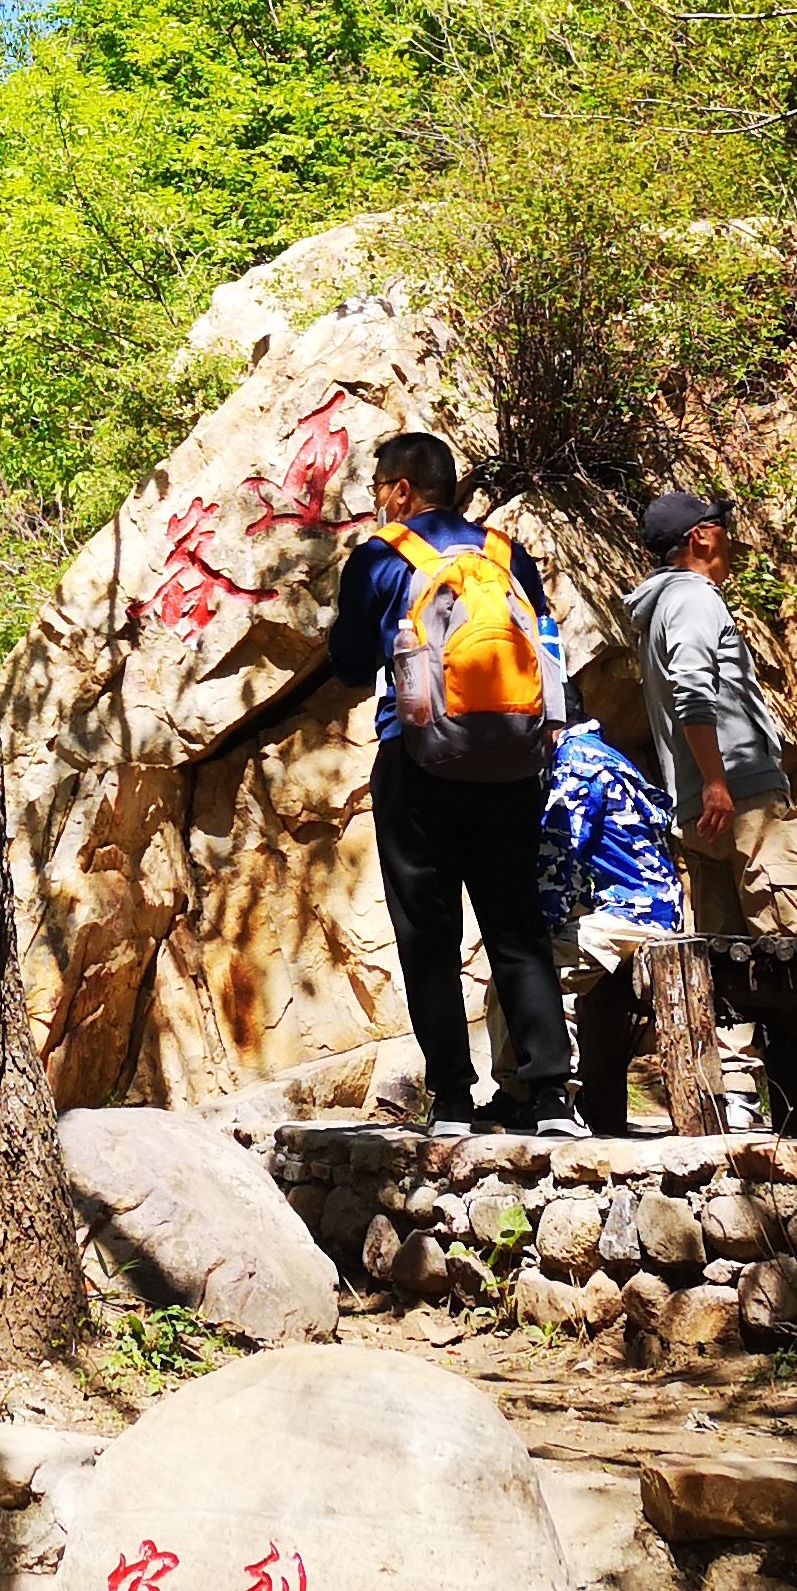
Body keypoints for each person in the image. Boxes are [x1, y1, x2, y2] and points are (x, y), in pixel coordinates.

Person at [327, 429, 580, 1135]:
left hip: (417, 760)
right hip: (511, 763)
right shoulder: (505, 553)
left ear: (403, 490)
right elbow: (545, 647)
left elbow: (349, 664)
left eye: (379, 488)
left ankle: (453, 1100)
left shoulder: (381, 557)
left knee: (428, 933)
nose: (377, 501)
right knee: (516, 924)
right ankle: (550, 1093)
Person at [626, 488, 797, 1126]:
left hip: (702, 808)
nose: (731, 538)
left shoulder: (657, 608)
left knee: (730, 958)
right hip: (738, 797)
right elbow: (694, 688)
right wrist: (718, 780)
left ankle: (746, 1104)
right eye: (722, 526)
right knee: (793, 945)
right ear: (701, 537)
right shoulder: (692, 597)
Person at [531, 716, 683, 1135]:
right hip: (639, 907)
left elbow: (560, 851)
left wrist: (540, 923)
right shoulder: (601, 753)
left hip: (633, 912)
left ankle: (539, 1097)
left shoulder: (576, 762)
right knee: (536, 967)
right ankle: (560, 1099)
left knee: (531, 973)